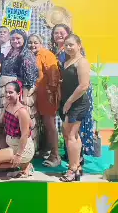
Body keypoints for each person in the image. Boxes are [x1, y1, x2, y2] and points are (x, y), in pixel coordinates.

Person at [50, 24, 95, 160]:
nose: (59, 35)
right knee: (67, 130)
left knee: (74, 131)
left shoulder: (75, 55)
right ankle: (71, 156)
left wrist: (70, 100)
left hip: (77, 94)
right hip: (64, 94)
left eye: (61, 32)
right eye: (56, 33)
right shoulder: (54, 51)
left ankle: (77, 159)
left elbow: (83, 82)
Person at [0, 81, 34, 178]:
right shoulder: (8, 104)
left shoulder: (22, 112)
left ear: (18, 94)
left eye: (11, 92)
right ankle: (9, 162)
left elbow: (24, 135)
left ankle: (23, 165)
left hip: (21, 147)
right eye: (6, 92)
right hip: (9, 141)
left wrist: (19, 155)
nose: (7, 95)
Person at [59, 34, 91, 182]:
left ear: (79, 45)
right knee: (70, 135)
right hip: (67, 102)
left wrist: (69, 102)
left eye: (71, 44)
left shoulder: (82, 62)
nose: (68, 47)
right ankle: (77, 166)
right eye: (66, 45)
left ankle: (72, 170)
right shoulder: (67, 61)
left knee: (71, 135)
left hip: (77, 103)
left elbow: (84, 86)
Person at [28, 34, 61, 167]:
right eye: (30, 42)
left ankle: (55, 155)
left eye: (36, 42)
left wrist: (51, 93)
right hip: (37, 95)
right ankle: (45, 150)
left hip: (47, 95)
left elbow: (53, 75)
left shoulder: (47, 55)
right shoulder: (31, 56)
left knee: (49, 124)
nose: (33, 45)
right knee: (42, 124)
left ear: (41, 43)